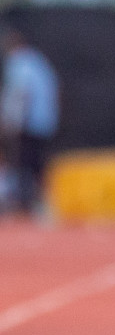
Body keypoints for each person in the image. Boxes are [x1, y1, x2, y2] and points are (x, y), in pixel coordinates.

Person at [1, 25, 59, 218]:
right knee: (36, 163)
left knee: (24, 162)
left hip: (28, 121)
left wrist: (12, 119)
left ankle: (26, 204)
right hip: (44, 120)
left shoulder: (20, 63)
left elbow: (22, 93)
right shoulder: (37, 61)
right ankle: (39, 203)